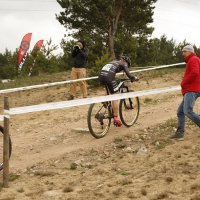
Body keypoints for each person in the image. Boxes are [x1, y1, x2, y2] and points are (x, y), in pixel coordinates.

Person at [98, 55, 139, 126]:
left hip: (101, 76)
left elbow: (110, 72)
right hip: (108, 77)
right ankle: (116, 118)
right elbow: (129, 75)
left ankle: (106, 102)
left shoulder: (114, 62)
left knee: (110, 89)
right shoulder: (124, 63)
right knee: (115, 96)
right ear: (126, 62)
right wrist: (134, 78)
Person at [171, 44, 200, 139]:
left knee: (187, 111)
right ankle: (180, 133)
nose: (183, 53)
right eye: (182, 51)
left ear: (190, 51)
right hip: (191, 89)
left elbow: (195, 73)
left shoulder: (193, 59)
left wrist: (184, 82)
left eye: (184, 51)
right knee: (180, 111)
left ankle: (180, 132)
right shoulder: (192, 60)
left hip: (192, 89)